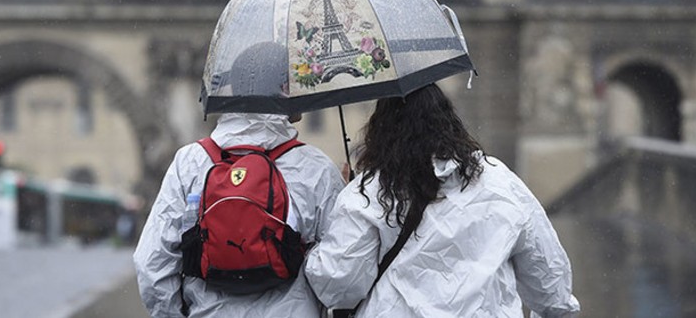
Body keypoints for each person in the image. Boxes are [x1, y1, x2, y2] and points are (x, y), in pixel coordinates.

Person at [305, 83, 581, 317]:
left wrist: (325, 231)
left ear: (382, 131)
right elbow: (551, 286)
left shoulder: (369, 193)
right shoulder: (501, 182)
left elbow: (337, 286)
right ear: (450, 122)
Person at [134, 42, 345, 317]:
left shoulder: (190, 162)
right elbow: (340, 274)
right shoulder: (315, 168)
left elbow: (152, 262)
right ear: (283, 89)